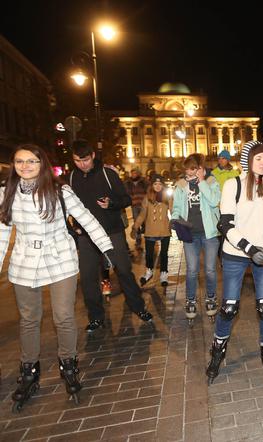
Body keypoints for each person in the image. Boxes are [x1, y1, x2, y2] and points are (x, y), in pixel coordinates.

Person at [0, 145, 115, 409]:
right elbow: (2, 232)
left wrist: (106, 247)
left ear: (42, 163)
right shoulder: (6, 193)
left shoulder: (60, 191)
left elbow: (86, 218)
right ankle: (29, 371)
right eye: (19, 161)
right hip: (24, 262)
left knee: (63, 315)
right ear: (13, 164)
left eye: (31, 161)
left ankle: (69, 364)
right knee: (29, 319)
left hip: (60, 258)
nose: (25, 165)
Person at [206, 141, 263, 386]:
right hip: (236, 253)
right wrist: (248, 248)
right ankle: (217, 353)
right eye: (259, 159)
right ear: (248, 161)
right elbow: (225, 224)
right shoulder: (233, 185)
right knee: (229, 308)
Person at [69, 141, 153, 332]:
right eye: (77, 160)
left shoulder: (108, 174)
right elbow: (69, 206)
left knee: (123, 270)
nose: (82, 164)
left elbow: (126, 199)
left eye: (85, 160)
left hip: (112, 231)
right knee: (89, 277)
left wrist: (112, 203)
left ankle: (138, 308)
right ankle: (96, 317)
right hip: (87, 236)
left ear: (92, 155)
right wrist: (75, 227)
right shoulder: (73, 177)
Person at [171, 153, 221, 322]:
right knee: (192, 271)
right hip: (190, 234)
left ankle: (211, 298)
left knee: (210, 270)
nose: (189, 172)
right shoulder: (181, 185)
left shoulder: (212, 182)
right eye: (187, 169)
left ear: (201, 168)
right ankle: (191, 300)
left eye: (193, 169)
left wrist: (201, 182)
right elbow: (177, 207)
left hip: (209, 234)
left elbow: (214, 201)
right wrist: (175, 219)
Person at [132, 174, 172, 287]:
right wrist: (135, 226)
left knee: (164, 254)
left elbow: (174, 211)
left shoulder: (167, 197)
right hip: (150, 230)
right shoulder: (147, 198)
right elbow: (142, 215)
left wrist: (178, 222)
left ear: (163, 185)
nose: (158, 186)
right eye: (155, 184)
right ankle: (149, 272)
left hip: (164, 229)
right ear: (152, 185)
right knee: (149, 254)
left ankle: (164, 274)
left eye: (160, 184)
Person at [125, 168, 149, 251]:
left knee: (145, 221)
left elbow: (148, 191)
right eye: (132, 173)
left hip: (143, 205)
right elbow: (127, 193)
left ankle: (147, 234)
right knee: (136, 222)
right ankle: (138, 238)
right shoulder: (128, 183)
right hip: (134, 205)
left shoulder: (143, 182)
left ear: (138, 174)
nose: (133, 175)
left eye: (135, 173)